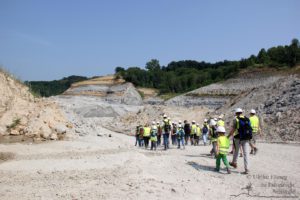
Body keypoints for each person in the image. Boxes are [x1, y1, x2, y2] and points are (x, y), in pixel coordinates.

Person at [229, 108, 252, 174]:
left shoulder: (236, 119)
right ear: (241, 112)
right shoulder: (247, 119)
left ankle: (234, 162)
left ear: (236, 113)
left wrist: (228, 136)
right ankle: (247, 169)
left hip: (238, 138)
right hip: (246, 138)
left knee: (236, 151)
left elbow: (233, 129)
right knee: (246, 153)